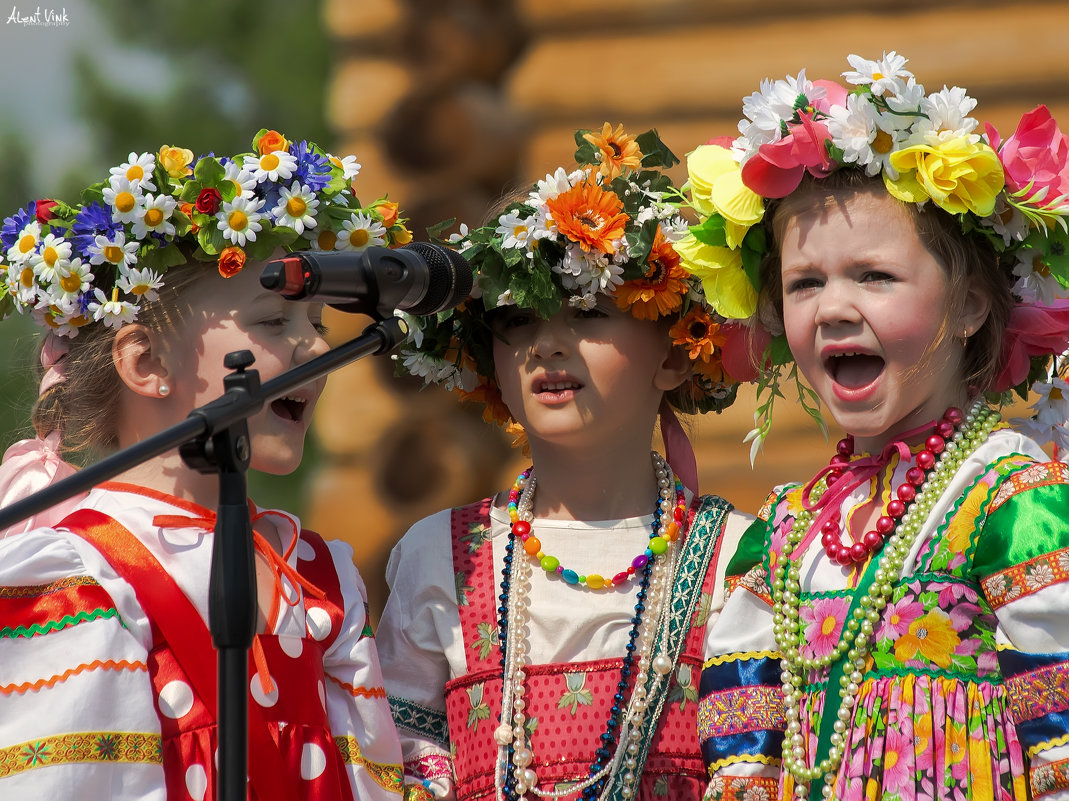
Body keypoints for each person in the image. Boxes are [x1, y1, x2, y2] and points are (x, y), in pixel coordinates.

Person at [682, 53, 1069, 800]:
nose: (832, 307)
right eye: (804, 284)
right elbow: (741, 765)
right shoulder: (784, 532)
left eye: (874, 276)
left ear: (969, 306)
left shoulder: (1012, 503)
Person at [0, 130, 411, 800]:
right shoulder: (84, 579)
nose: (312, 343)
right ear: (147, 364)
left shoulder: (318, 575)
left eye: (315, 321)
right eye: (275, 322)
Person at [377, 124, 755, 801]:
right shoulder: (442, 556)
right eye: (515, 322)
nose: (547, 344)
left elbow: (754, 769)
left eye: (585, 312)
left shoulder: (737, 555)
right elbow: (402, 759)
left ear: (673, 353)